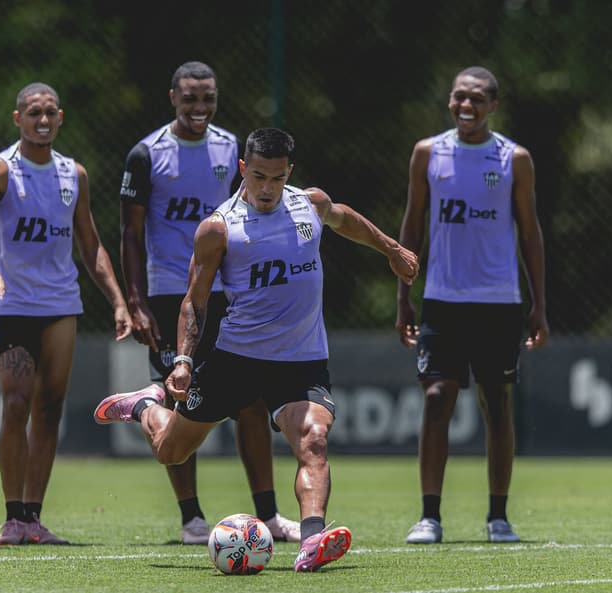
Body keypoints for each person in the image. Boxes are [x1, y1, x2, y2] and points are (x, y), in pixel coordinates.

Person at [95, 128, 419, 571]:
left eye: (277, 178)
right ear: (243, 169)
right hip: (236, 359)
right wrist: (185, 360)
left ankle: (311, 540)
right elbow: (195, 299)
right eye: (259, 177)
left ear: (290, 173)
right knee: (172, 450)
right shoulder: (219, 227)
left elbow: (343, 217)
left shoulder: (309, 204)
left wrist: (391, 249)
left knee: (315, 440)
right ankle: (147, 406)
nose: (267, 189)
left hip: (302, 359)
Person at [118, 61, 299, 544]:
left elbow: (254, 215)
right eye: (190, 98)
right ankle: (191, 517)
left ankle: (270, 514)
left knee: (253, 402)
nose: (200, 108)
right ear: (172, 97)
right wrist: (134, 300)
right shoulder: (147, 154)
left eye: (208, 98)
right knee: (182, 401)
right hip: (169, 293)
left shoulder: (231, 149)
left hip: (231, 294)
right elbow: (130, 234)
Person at [0, 82, 133, 547]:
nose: (42, 121)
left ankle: (33, 518)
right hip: (13, 305)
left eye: (49, 114)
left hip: (61, 305)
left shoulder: (73, 175)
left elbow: (90, 244)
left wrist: (119, 301)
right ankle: (10, 518)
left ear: (60, 117)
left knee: (48, 410)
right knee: (17, 403)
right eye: (33, 114)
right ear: (17, 118)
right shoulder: (0, 171)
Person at [396, 66, 549, 545]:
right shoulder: (428, 153)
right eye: (459, 98)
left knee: (497, 405)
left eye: (477, 99)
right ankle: (429, 516)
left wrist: (538, 304)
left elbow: (530, 233)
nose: (467, 106)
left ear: (493, 106)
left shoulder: (513, 159)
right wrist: (404, 298)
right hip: (442, 299)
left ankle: (498, 517)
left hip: (499, 301)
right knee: (438, 398)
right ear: (449, 101)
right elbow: (411, 225)